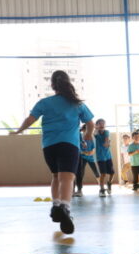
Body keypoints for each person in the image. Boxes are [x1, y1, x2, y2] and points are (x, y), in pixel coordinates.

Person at [11, 69, 94, 234]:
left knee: (56, 176)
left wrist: (19, 131)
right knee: (68, 177)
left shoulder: (44, 103)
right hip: (69, 144)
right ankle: (65, 207)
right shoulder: (77, 104)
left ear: (52, 85)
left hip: (49, 146)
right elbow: (90, 124)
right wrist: (88, 135)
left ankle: (56, 204)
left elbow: (30, 119)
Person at [74, 126, 100, 197]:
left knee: (96, 172)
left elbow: (93, 150)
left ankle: (101, 187)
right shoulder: (80, 137)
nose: (88, 131)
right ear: (83, 130)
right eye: (86, 130)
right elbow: (79, 149)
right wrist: (84, 153)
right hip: (82, 158)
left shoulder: (92, 138)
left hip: (90, 158)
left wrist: (90, 152)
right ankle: (79, 189)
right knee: (80, 173)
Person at [93, 119, 115, 197]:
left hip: (108, 156)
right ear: (97, 125)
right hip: (100, 157)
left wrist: (107, 142)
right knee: (103, 174)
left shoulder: (106, 132)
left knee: (112, 173)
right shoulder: (96, 133)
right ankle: (102, 189)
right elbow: (95, 133)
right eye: (100, 124)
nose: (102, 125)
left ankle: (109, 183)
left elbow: (106, 139)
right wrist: (95, 128)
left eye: (103, 123)